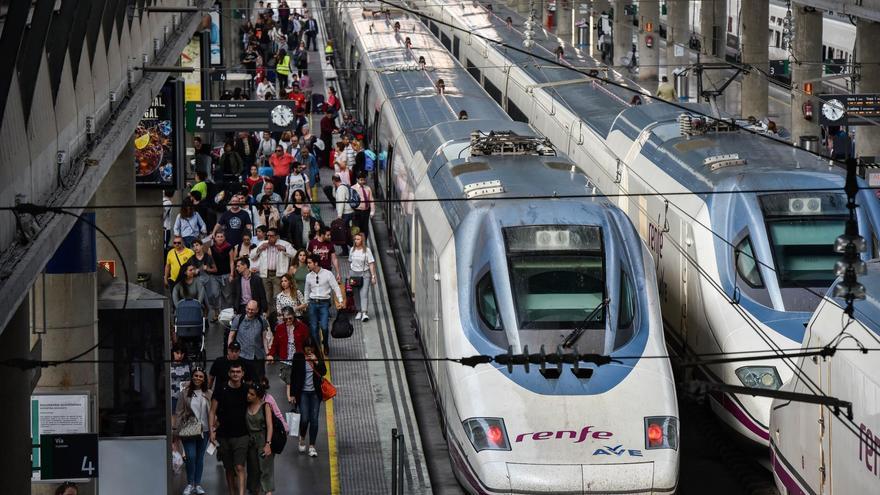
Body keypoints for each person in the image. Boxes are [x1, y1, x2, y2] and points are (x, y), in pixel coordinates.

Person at [210, 363, 249, 495]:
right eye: (233, 371)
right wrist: (211, 431)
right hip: (223, 434)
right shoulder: (221, 389)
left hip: (242, 434)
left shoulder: (247, 389)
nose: (235, 374)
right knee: (229, 468)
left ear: (242, 373)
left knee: (239, 466)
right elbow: (212, 411)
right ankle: (232, 492)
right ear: (229, 373)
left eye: (238, 371)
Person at [287, 339, 327, 457]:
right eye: (307, 347)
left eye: (311, 347)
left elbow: (323, 372)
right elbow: (294, 375)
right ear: (303, 348)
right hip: (302, 392)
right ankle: (302, 437)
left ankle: (312, 446)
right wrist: (293, 394)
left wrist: (316, 361)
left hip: (315, 393)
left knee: (314, 419)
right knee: (304, 418)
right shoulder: (298, 357)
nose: (309, 350)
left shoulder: (317, 357)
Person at [175, 367, 211, 495]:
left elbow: (212, 413)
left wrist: (213, 430)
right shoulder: (184, 393)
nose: (198, 378)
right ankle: (190, 483)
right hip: (188, 429)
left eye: (201, 376)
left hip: (205, 430)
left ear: (204, 379)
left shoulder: (209, 393)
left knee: (199, 458)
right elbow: (178, 412)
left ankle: (198, 484)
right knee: (191, 456)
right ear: (192, 377)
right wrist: (177, 431)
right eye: (196, 375)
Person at [304, 254, 343, 355]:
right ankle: (317, 349)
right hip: (312, 303)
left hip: (324, 304)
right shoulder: (308, 276)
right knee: (313, 328)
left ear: (316, 263)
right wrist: (306, 303)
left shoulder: (328, 274)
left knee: (324, 327)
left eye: (309, 263)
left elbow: (335, 287)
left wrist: (340, 300)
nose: (307, 264)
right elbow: (306, 291)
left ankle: (325, 343)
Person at [251, 227, 294, 307]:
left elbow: (295, 254)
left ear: (277, 236)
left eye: (272, 236)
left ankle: (277, 316)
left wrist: (284, 249)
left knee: (277, 297)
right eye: (268, 236)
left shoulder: (285, 244)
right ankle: (270, 316)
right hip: (265, 274)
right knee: (267, 297)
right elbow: (252, 256)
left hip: (278, 275)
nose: (269, 238)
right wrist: (259, 249)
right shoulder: (262, 244)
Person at [245, 383, 275, 495]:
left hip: (262, 439)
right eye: (248, 393)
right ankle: (255, 491)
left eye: (252, 394)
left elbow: (270, 426)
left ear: (258, 396)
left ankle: (268, 492)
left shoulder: (265, 406)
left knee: (265, 469)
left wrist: (268, 443)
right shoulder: (246, 406)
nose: (248, 396)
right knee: (253, 470)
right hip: (250, 441)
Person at [228, 300, 271, 379]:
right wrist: (230, 351)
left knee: (259, 379)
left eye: (252, 310)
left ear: (257, 310)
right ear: (246, 308)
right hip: (242, 355)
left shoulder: (262, 320)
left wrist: (268, 354)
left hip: (258, 356)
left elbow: (265, 338)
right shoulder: (238, 319)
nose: (250, 311)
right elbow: (231, 336)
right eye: (248, 309)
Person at [267, 307, 309, 385]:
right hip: (285, 359)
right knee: (289, 383)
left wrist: (308, 355)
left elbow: (308, 343)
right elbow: (275, 344)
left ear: (294, 316)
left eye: (290, 318)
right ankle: (291, 397)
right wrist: (270, 355)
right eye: (285, 319)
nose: (288, 321)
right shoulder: (279, 328)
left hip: (299, 359)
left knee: (299, 382)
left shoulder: (303, 327)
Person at [349, 232, 378, 322]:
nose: (356, 241)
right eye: (355, 239)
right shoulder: (352, 250)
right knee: (356, 293)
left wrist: (373, 276)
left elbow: (371, 264)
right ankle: (359, 311)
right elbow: (350, 261)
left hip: (365, 274)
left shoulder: (367, 251)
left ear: (362, 240)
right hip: (354, 274)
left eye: (358, 239)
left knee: (364, 293)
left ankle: (364, 312)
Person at [209, 230, 235, 319]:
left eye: (221, 236)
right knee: (214, 294)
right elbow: (209, 261)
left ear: (224, 238)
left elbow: (232, 261)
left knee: (227, 295)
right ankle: (216, 312)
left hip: (226, 274)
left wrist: (232, 274)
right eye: (218, 236)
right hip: (214, 276)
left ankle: (226, 315)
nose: (220, 238)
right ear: (215, 238)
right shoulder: (211, 248)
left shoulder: (229, 247)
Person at [333, 175, 354, 256]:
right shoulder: (344, 186)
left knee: (341, 232)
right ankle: (350, 248)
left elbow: (340, 202)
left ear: (334, 181)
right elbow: (335, 196)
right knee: (346, 232)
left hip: (346, 213)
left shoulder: (341, 188)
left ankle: (347, 250)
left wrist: (339, 215)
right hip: (349, 212)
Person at [351, 172, 375, 240]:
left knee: (365, 229)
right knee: (357, 229)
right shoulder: (353, 188)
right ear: (357, 180)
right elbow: (350, 201)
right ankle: (357, 243)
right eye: (361, 180)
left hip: (365, 212)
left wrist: (372, 211)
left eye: (363, 180)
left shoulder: (368, 188)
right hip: (356, 212)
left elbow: (371, 200)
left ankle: (364, 243)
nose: (362, 181)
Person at [170, 343, 192, 412]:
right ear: (173, 353)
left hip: (186, 396)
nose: (179, 356)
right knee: (173, 415)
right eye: (177, 353)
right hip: (172, 396)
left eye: (182, 353)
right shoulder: (168, 365)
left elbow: (194, 378)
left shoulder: (189, 364)